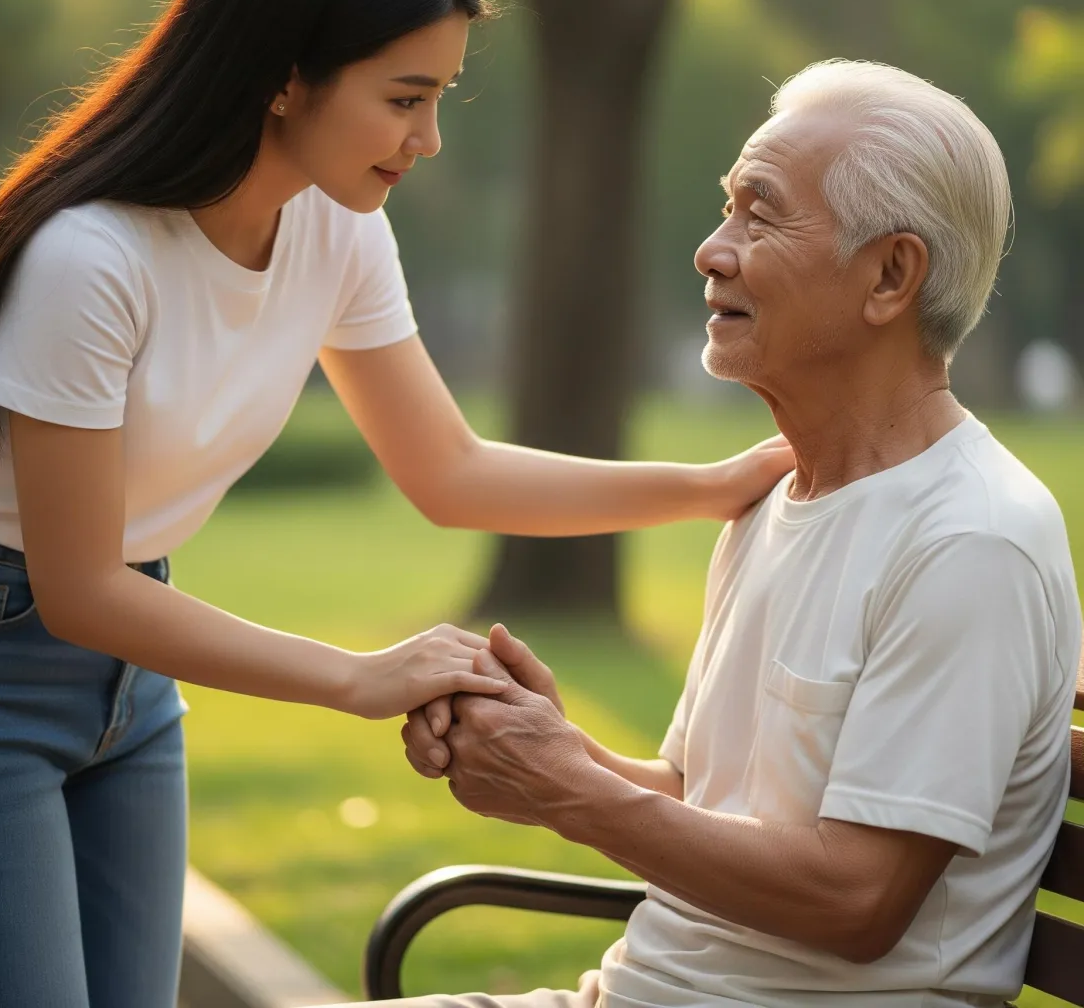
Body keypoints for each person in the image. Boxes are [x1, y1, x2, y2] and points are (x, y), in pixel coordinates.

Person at [0, 0, 790, 1008]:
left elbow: (447, 470)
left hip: (131, 665)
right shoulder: (89, 257)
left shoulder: (337, 228)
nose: (430, 140)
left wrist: (713, 486)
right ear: (284, 78)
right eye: (406, 98)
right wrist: (360, 678)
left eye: (443, 97)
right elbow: (77, 587)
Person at [397, 60, 1084, 1008]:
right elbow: (694, 799)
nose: (712, 251)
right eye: (727, 209)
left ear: (891, 275)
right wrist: (545, 748)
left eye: (760, 215)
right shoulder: (774, 497)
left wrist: (569, 791)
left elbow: (857, 900)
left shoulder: (972, 541)